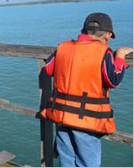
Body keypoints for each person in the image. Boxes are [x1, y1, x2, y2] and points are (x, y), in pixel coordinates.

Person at [38, 12, 132, 167]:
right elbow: (113, 80)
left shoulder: (63, 47)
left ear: (83, 31)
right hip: (86, 120)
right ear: (107, 35)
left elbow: (48, 69)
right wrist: (120, 56)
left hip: (61, 115)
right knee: (88, 163)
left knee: (66, 159)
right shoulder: (104, 51)